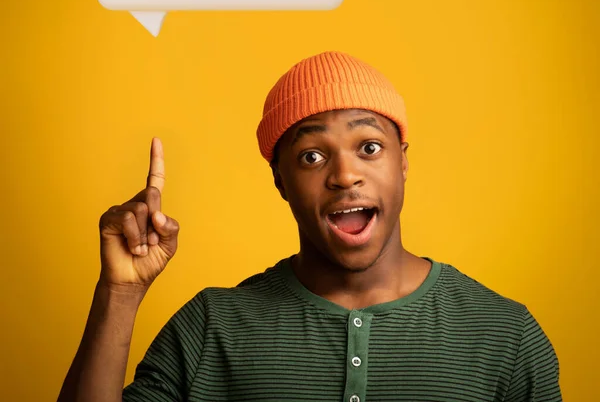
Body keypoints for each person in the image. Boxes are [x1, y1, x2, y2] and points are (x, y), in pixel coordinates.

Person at [58, 51, 562, 402]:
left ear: (402, 162)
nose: (344, 175)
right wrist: (118, 294)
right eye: (312, 155)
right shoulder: (212, 329)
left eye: (369, 147)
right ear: (280, 180)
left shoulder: (505, 336)